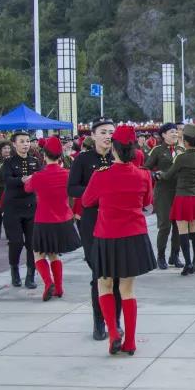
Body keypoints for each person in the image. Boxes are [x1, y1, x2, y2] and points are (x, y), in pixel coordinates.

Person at [81, 125, 157, 355]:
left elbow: (86, 201)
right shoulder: (143, 174)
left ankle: (113, 332)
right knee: (127, 289)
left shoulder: (101, 175)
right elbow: (147, 202)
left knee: (105, 284)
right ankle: (130, 341)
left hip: (107, 235)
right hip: (133, 236)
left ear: (113, 148)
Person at [69, 118, 121, 340]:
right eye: (103, 132)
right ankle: (99, 322)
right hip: (91, 219)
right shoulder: (83, 160)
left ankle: (115, 321)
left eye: (111, 132)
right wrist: (96, 191)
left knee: (117, 275)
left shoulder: (118, 158)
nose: (108, 136)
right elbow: (72, 187)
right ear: (93, 135)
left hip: (115, 219)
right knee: (98, 273)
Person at [24, 136, 81, 300]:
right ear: (60, 155)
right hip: (63, 219)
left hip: (43, 220)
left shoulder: (38, 176)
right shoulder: (67, 174)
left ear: (44, 155)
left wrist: (29, 178)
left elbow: (27, 188)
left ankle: (48, 283)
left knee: (39, 254)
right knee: (54, 254)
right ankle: (59, 288)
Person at [159, 124, 195, 275]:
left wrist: (158, 174)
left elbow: (168, 175)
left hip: (183, 196)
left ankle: (187, 263)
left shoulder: (181, 158)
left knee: (183, 231)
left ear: (186, 142)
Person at [0, 130, 43, 288]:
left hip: (31, 207)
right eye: (22, 141)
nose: (25, 144)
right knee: (16, 242)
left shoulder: (35, 161)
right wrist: (22, 180)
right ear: (14, 144)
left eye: (27, 141)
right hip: (13, 207)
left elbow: (41, 177)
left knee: (32, 243)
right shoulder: (9, 162)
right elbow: (8, 180)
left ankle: (30, 275)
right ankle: (14, 271)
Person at [145, 123, 183, 269]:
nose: (175, 134)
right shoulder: (157, 150)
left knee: (178, 226)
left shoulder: (181, 150)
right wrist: (154, 175)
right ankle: (160, 256)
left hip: (179, 191)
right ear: (164, 135)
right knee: (165, 226)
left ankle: (175, 255)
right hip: (163, 193)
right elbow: (145, 169)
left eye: (176, 132)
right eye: (172, 132)